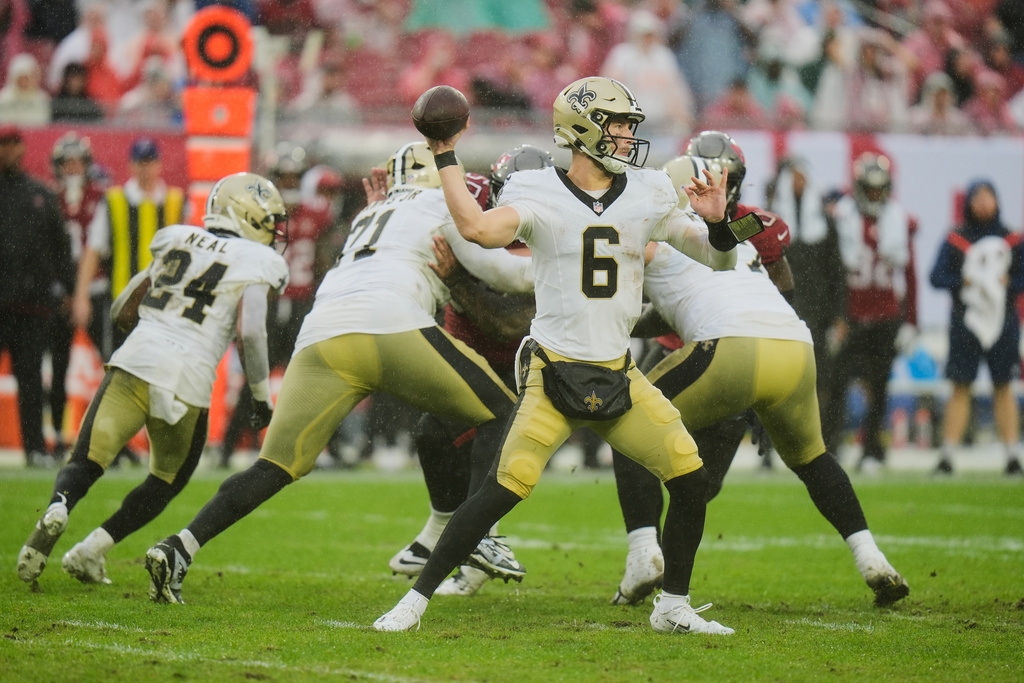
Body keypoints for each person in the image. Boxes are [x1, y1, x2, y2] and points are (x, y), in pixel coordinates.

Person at [376, 76, 744, 635]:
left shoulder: (646, 191)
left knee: (689, 480)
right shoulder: (537, 189)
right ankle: (415, 601)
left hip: (621, 375)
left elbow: (716, 260)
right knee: (499, 491)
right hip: (554, 374)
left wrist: (720, 222)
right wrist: (445, 153)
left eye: (628, 127)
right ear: (583, 129)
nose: (627, 137)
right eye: (618, 125)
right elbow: (476, 228)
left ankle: (673, 607)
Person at [144, 141, 534, 605]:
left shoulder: (367, 217)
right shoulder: (440, 204)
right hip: (390, 323)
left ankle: (180, 546)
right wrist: (567, 256)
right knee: (500, 412)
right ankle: (480, 533)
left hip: (322, 332)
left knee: (273, 466)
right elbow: (511, 276)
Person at [609, 154, 909, 610]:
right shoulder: (738, 236)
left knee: (624, 422)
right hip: (793, 346)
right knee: (813, 460)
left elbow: (646, 290)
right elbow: (762, 287)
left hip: (729, 347)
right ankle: (871, 556)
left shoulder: (649, 231)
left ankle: (643, 554)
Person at [16, 172, 290, 587]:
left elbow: (124, 305)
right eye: (269, 221)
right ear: (248, 217)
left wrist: (149, 336)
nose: (273, 232)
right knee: (167, 480)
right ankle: (92, 549)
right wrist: (258, 396)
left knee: (86, 460)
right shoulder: (260, 261)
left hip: (136, 359)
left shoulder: (175, 238)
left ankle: (59, 506)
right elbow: (250, 330)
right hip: (188, 378)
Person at [389, 144, 549, 596]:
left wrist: (459, 281)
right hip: (473, 351)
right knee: (431, 435)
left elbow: (511, 323)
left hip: (523, 361)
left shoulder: (553, 237)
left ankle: (480, 540)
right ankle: (445, 529)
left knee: (490, 440)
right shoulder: (470, 213)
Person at [821, 153, 917, 473]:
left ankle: (873, 450)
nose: (875, 195)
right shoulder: (841, 218)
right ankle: (832, 447)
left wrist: (910, 321)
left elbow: (910, 274)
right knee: (837, 386)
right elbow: (831, 272)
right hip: (850, 316)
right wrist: (833, 316)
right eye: (870, 189)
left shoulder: (899, 221)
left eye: (880, 189)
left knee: (878, 388)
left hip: (885, 316)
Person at [930, 180, 1024, 477]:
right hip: (966, 321)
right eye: (978, 198)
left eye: (989, 198)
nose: (983, 204)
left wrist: (1009, 285)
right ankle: (948, 454)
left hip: (1003, 321)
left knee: (1003, 386)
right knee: (960, 385)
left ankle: (1011, 454)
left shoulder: (1012, 238)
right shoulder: (956, 238)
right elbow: (936, 276)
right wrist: (963, 283)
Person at [0, 123, 75, 468]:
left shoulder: (41, 195)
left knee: (31, 380)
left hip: (32, 306)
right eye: (5, 144)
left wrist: (69, 292)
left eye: (15, 144)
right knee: (31, 379)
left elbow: (62, 249)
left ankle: (35, 448)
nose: (10, 151)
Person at [72, 137, 184, 359]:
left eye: (149, 162)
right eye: (140, 162)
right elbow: (93, 250)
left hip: (165, 304)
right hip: (122, 303)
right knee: (119, 366)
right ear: (131, 165)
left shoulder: (175, 202)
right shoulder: (115, 201)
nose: (145, 169)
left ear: (159, 164)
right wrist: (81, 294)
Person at [47, 132, 109, 458]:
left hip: (97, 290)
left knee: (114, 367)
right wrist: (64, 290)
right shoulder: (49, 198)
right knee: (58, 366)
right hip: (60, 295)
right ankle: (57, 433)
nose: (72, 168)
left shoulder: (101, 198)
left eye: (77, 162)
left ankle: (114, 440)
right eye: (66, 162)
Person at [766, 155, 845, 399]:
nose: (797, 183)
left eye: (803, 177)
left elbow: (836, 270)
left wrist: (839, 314)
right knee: (779, 374)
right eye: (793, 177)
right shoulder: (768, 221)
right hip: (781, 308)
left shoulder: (825, 222)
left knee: (818, 375)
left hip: (817, 311)